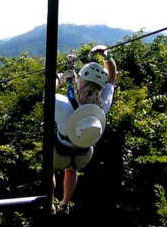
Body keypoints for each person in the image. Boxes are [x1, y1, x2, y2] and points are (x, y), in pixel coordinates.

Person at [52, 45, 117, 215]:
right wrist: (107, 57)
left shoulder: (63, 104)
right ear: (100, 87)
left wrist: (60, 78)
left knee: (49, 170)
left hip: (59, 151)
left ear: (79, 81)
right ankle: (65, 205)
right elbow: (112, 78)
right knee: (71, 170)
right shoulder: (103, 107)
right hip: (84, 154)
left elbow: (46, 94)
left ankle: (50, 203)